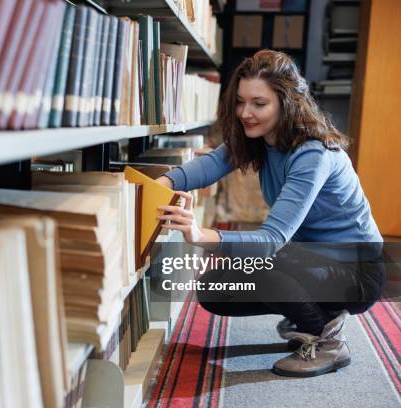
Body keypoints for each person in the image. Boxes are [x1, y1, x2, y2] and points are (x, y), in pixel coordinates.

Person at [154, 50, 385, 377]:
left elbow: (271, 240)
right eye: (240, 101)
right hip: (310, 258)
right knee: (213, 289)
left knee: (262, 262)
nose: (245, 113)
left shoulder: (312, 152)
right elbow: (212, 164)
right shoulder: (260, 137)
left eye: (259, 104)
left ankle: (327, 340)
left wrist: (199, 235)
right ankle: (315, 313)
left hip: (356, 271)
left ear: (286, 103)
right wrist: (160, 184)